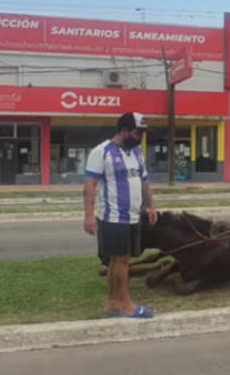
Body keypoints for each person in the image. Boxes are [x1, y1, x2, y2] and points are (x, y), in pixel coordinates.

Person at [83, 112, 158, 319]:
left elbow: (143, 181)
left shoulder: (136, 153)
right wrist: (89, 216)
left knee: (118, 260)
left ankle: (113, 303)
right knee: (121, 260)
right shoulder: (102, 152)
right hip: (113, 217)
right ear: (124, 131)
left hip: (133, 217)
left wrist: (150, 204)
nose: (141, 137)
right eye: (137, 133)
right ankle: (127, 305)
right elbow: (90, 185)